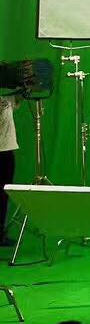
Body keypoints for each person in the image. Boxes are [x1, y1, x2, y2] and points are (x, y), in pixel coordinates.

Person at [0, 92, 19, 246]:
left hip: (7, 151)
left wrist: (26, 86)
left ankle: (0, 234)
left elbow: (15, 100)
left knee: (3, 195)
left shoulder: (5, 99)